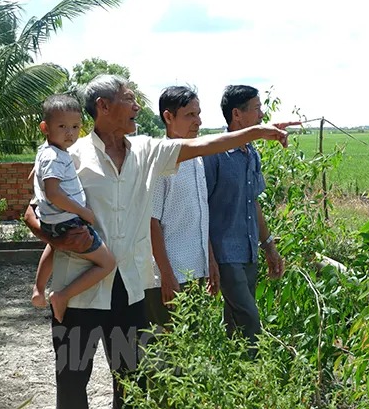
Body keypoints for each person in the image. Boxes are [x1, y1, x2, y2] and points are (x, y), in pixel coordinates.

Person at [23, 75, 290, 409]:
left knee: (131, 384)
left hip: (130, 293)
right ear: (103, 107)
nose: (138, 106)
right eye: (129, 99)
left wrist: (254, 132)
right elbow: (33, 211)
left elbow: (202, 146)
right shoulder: (70, 156)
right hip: (79, 292)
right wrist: (53, 236)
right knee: (73, 380)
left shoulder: (146, 152)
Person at [203, 85, 286, 349]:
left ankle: (236, 378)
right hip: (225, 253)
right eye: (257, 108)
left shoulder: (251, 153)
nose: (262, 114)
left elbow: (254, 204)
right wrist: (209, 256)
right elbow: (201, 206)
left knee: (236, 323)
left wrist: (269, 247)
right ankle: (257, 375)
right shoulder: (213, 154)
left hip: (248, 250)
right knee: (251, 320)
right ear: (237, 114)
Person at [30, 94, 116, 324]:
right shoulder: (54, 157)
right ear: (45, 127)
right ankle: (61, 296)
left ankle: (38, 288)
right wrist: (83, 212)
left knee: (53, 246)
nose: (70, 133)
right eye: (62, 126)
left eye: (75, 127)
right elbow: (53, 193)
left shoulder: (46, 151)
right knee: (108, 263)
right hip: (69, 221)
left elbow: (39, 182)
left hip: (54, 221)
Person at [145, 86, 219, 329]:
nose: (198, 121)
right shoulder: (161, 161)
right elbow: (151, 221)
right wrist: (166, 275)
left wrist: (211, 261)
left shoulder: (195, 158)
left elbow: (200, 217)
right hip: (173, 275)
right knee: (170, 347)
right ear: (168, 117)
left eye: (198, 114)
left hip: (196, 270)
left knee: (193, 346)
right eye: (190, 115)